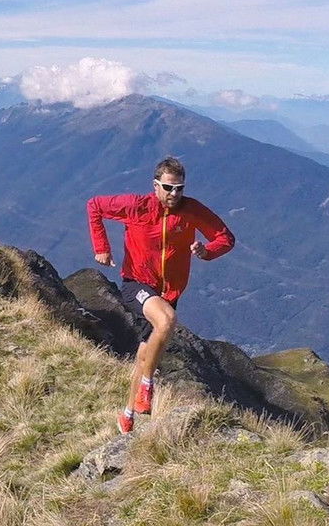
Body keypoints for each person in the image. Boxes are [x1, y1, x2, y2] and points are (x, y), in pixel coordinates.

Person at [86, 156, 235, 434]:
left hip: (169, 290)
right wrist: (102, 248)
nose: (174, 194)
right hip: (137, 284)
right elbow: (94, 206)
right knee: (167, 320)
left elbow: (225, 238)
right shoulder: (137, 206)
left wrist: (207, 252)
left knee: (145, 356)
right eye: (168, 188)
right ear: (155, 186)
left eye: (179, 188)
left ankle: (127, 416)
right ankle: (147, 387)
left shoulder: (191, 210)